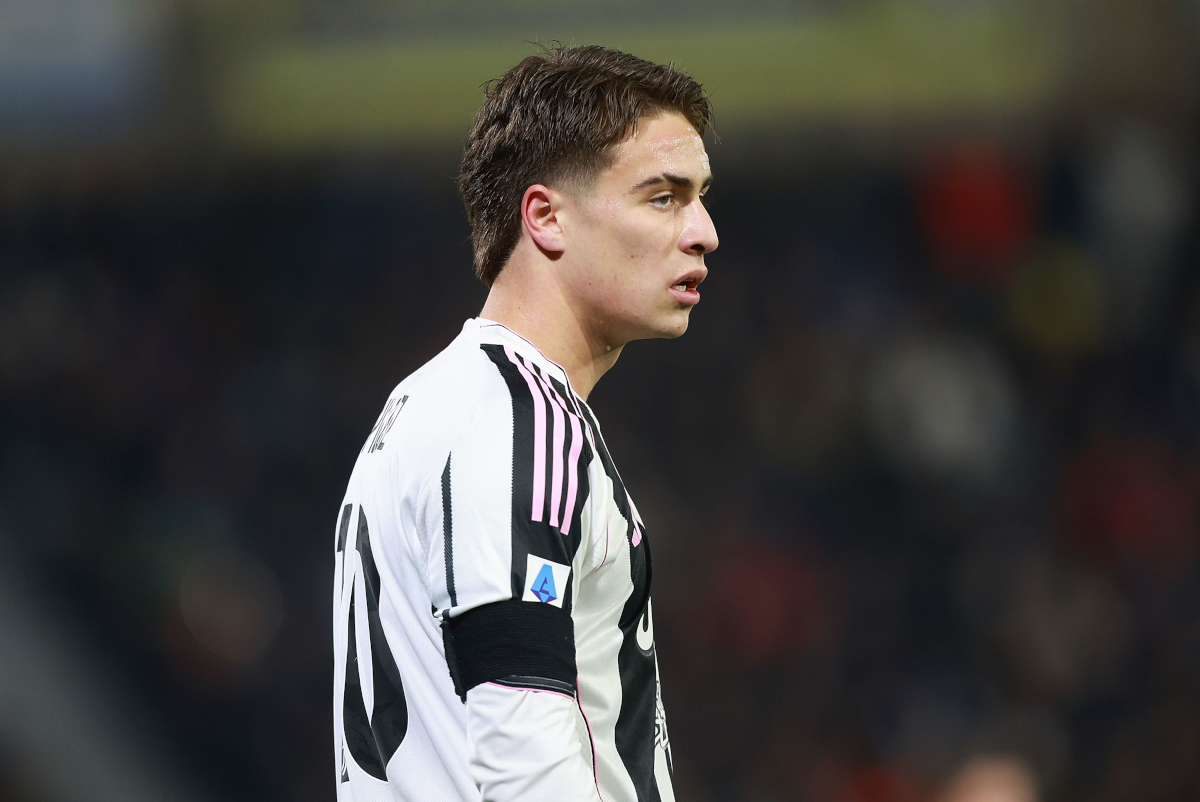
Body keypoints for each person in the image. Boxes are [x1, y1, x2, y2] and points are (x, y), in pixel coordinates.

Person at [332, 44, 717, 802]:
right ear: (545, 217)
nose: (704, 230)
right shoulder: (517, 421)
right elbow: (526, 765)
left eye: (701, 197)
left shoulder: (433, 402)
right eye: (663, 197)